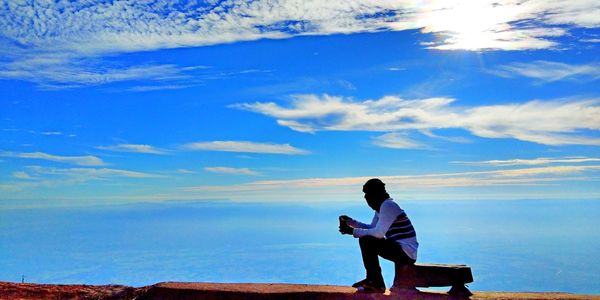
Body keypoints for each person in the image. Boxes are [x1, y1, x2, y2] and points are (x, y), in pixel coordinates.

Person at [339, 178, 418, 293]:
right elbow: (373, 228)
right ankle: (372, 279)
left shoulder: (388, 206)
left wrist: (352, 231)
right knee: (367, 240)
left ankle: (376, 282)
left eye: (367, 194)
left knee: (366, 241)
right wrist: (352, 223)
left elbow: (378, 234)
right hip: (403, 250)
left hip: (406, 253)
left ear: (375, 194)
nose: (365, 198)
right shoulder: (382, 207)